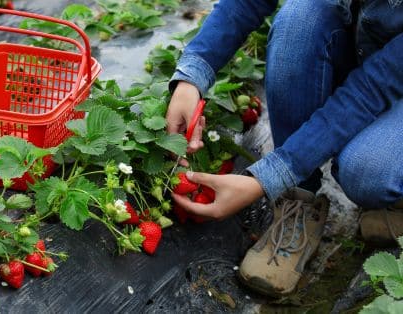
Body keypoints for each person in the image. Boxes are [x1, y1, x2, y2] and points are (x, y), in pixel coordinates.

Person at [166, 0, 403, 297]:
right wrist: (192, 78)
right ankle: (299, 200)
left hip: (390, 77)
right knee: (298, 20)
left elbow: (371, 90)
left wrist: (267, 177)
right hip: (363, 46)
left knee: (367, 171)